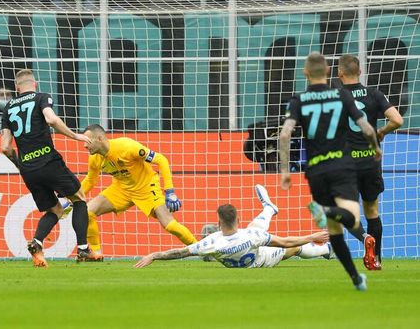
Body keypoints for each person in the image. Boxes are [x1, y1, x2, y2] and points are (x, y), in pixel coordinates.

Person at [279, 52, 382, 291]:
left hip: (315, 170)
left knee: (334, 230)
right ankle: (326, 210)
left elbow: (285, 134)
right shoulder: (341, 94)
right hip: (341, 165)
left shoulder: (299, 99)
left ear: (305, 73)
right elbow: (365, 126)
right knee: (352, 218)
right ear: (328, 72)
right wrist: (375, 148)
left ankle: (356, 278)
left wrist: (285, 171)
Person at [1, 69, 99, 267]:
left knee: (55, 209)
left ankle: (36, 244)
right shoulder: (41, 98)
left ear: (17, 87)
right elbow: (51, 119)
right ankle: (82, 249)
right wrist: (75, 135)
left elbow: (5, 147)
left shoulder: (8, 108)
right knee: (79, 198)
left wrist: (21, 165)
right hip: (48, 160)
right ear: (34, 84)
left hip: (28, 168)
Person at [134, 185, 333, 269]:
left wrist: (153, 255)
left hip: (253, 254)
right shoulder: (251, 236)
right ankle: (326, 249)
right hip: (261, 261)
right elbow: (286, 240)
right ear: (238, 220)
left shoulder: (211, 242)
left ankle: (270, 209)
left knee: (260, 229)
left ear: (218, 223)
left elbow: (180, 252)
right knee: (293, 248)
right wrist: (311, 236)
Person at [80, 124, 197, 260]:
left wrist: (170, 191)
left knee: (170, 225)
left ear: (100, 138)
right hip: (122, 189)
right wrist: (72, 198)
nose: (84, 146)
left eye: (87, 141)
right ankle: (95, 253)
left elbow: (161, 160)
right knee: (86, 212)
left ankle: (201, 248)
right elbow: (90, 180)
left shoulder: (127, 147)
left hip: (147, 187)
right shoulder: (94, 159)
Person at [338, 54, 404, 270]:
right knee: (372, 211)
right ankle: (375, 259)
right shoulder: (374, 94)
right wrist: (381, 132)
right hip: (369, 161)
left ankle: (365, 238)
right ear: (360, 72)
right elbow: (397, 120)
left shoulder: (335, 97)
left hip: (346, 163)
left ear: (340, 73)